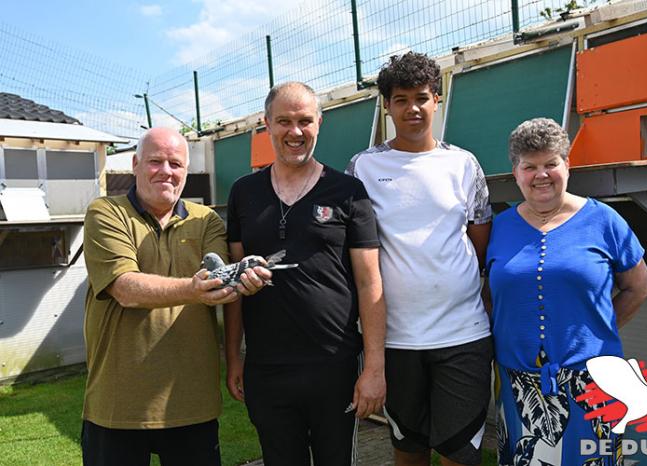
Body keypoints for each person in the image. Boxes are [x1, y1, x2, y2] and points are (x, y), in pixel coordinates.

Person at [81, 127, 269, 466]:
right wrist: (194, 290)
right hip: (118, 405)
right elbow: (124, 288)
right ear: (135, 164)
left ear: (185, 172)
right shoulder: (106, 213)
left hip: (192, 403)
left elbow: (221, 279)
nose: (166, 171)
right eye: (155, 161)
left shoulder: (207, 220)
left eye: (175, 163)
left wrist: (246, 277)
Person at [225, 82, 387, 466]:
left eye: (304, 121)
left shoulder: (348, 192)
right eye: (283, 121)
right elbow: (234, 280)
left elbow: (370, 282)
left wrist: (375, 367)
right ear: (266, 125)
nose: (294, 132)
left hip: (334, 366)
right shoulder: (243, 193)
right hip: (267, 368)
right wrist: (232, 357)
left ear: (319, 123)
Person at [347, 52, 493, 466]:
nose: (412, 107)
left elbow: (479, 238)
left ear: (437, 100)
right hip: (396, 340)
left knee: (460, 453)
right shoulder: (364, 167)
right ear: (387, 105)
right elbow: (356, 248)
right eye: (400, 99)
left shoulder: (463, 164)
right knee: (408, 448)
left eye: (422, 97)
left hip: (463, 336)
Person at [485, 118, 647, 466]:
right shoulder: (498, 228)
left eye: (551, 164)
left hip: (593, 383)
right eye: (529, 167)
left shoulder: (604, 221)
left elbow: (639, 287)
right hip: (519, 387)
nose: (541, 175)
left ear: (567, 165)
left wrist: (595, 332)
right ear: (515, 173)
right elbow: (488, 295)